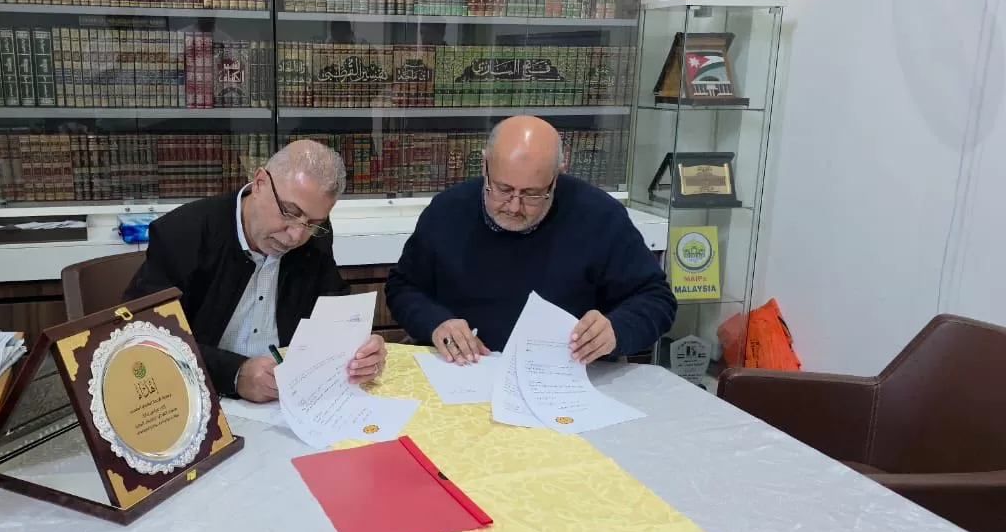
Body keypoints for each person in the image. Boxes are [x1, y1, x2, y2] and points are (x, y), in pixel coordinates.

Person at [385, 115, 676, 365]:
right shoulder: (447, 211)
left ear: (558, 174)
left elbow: (656, 298)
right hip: (467, 370)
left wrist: (616, 330)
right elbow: (403, 288)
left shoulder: (599, 216)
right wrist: (435, 322)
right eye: (503, 189)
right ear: (485, 165)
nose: (514, 206)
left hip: (563, 376)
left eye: (533, 194)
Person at [121, 140, 387, 403]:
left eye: (313, 223)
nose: (296, 236)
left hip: (286, 399)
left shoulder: (314, 236)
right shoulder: (183, 233)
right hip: (200, 396)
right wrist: (235, 374)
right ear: (259, 183)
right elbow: (145, 333)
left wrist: (358, 350)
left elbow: (333, 309)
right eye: (289, 212)